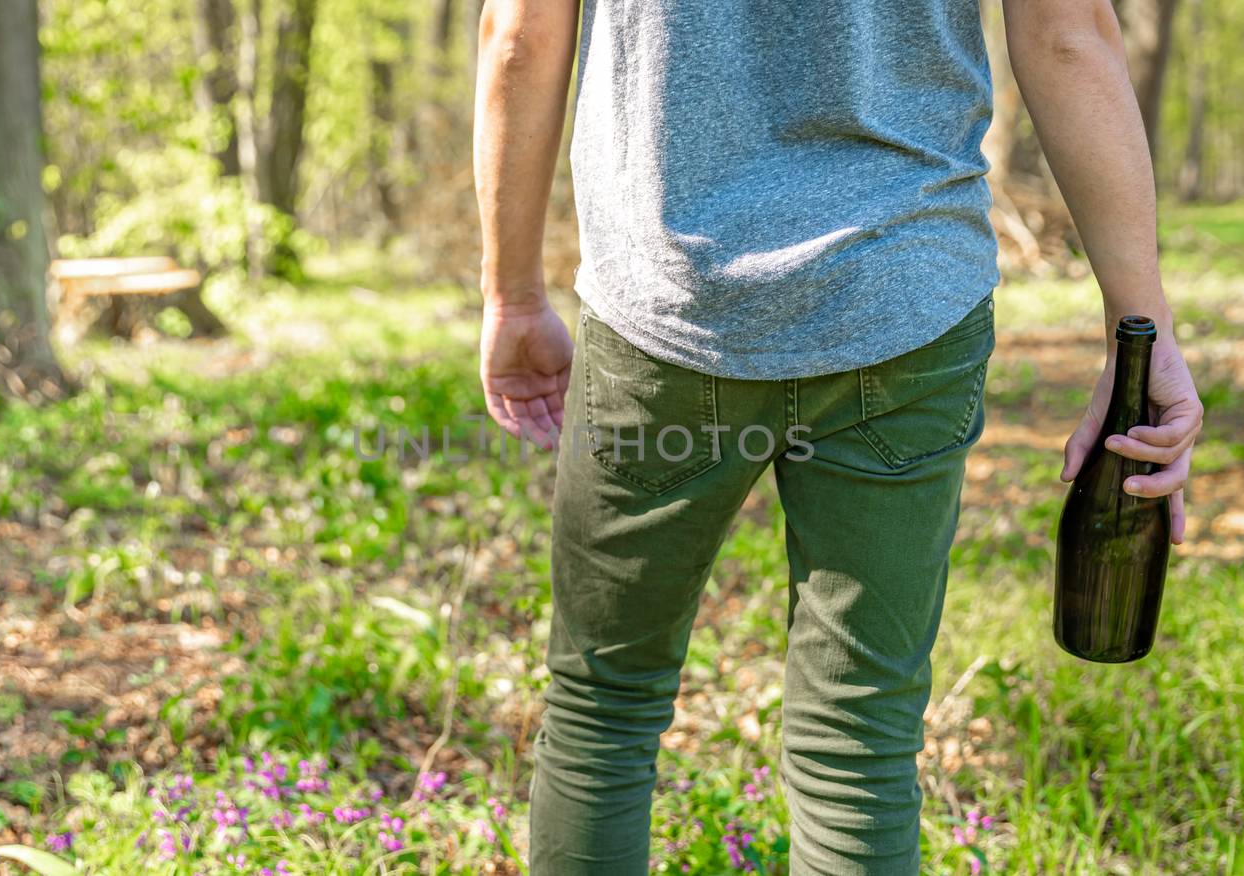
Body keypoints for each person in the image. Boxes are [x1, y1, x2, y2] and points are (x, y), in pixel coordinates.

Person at [471, 0, 1204, 873]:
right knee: (859, 741)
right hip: (905, 299)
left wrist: (512, 294)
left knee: (604, 707)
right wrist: (1140, 324)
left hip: (669, 298)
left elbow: (519, 32)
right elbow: (1068, 31)